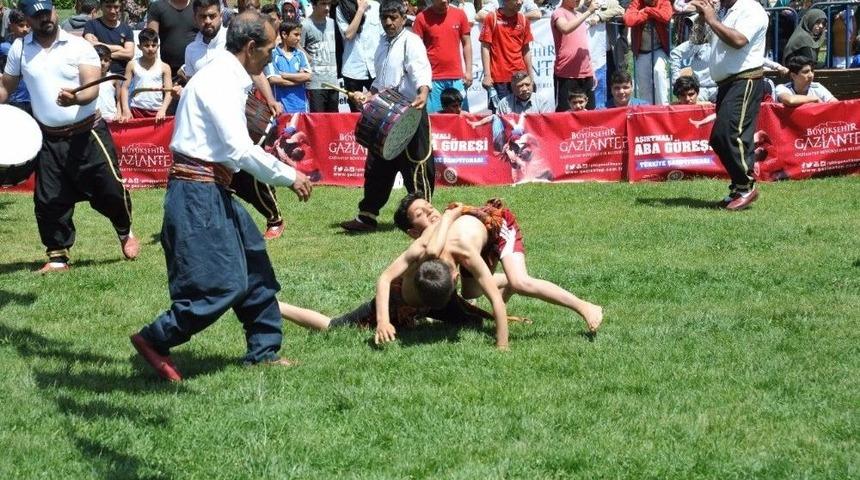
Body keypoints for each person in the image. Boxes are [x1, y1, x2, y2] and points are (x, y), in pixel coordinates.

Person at [129, 11, 314, 382]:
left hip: (213, 186)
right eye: (269, 50)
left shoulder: (227, 76)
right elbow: (238, 150)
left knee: (255, 266)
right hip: (196, 191)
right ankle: (156, 337)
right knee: (222, 284)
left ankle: (263, 351)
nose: (271, 58)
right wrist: (289, 176)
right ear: (250, 47)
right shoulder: (219, 81)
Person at [1, 0, 139, 273]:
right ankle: (58, 256)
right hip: (49, 137)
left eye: (48, 12)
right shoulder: (20, 48)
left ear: (54, 11)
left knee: (111, 189)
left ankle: (124, 230)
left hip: (88, 133)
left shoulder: (79, 47)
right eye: (37, 15)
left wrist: (75, 98)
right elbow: (6, 86)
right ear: (27, 18)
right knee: (49, 198)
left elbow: (91, 89)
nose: (45, 19)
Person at [395, 193, 604, 345]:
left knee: (520, 282)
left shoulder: (455, 247)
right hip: (477, 240)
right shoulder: (431, 242)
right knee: (470, 292)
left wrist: (502, 346)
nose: (431, 212)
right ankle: (507, 283)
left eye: (430, 207)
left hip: (498, 225)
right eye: (421, 214)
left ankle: (585, 306)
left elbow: (495, 299)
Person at [181, 0, 288, 241]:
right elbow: (191, 79)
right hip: (209, 122)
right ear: (195, 18)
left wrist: (270, 99)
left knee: (249, 169)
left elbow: (256, 70)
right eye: (202, 17)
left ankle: (274, 218)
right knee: (226, 176)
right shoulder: (191, 49)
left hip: (239, 111)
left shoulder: (233, 39)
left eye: (212, 15)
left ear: (221, 14)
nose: (208, 21)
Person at [340, 0, 433, 233]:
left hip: (411, 112)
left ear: (403, 17)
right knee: (376, 166)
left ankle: (426, 218)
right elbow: (380, 82)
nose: (389, 22)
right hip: (386, 114)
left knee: (416, 166)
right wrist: (367, 95)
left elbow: (420, 69)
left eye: (393, 17)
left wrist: (423, 93)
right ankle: (367, 217)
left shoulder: (412, 41)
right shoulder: (382, 43)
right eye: (385, 18)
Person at [689, 0, 767, 211]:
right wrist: (702, 17)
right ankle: (739, 187)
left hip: (745, 79)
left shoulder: (751, 8)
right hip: (726, 83)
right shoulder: (723, 11)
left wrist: (712, 19)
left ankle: (746, 187)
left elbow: (739, 40)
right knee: (718, 138)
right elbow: (696, 40)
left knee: (728, 134)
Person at [412, 0, 473, 113]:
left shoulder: (460, 14)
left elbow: (467, 44)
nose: (445, 1)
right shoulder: (421, 18)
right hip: (432, 79)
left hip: (457, 79)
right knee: (435, 119)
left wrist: (469, 71)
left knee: (460, 118)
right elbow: (415, 50)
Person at [479, 0, 534, 108]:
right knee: (500, 115)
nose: (520, 2)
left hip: (520, 78)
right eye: (516, 0)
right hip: (499, 79)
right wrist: (487, 75)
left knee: (523, 114)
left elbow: (526, 49)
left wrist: (531, 76)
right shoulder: (492, 17)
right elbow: (485, 47)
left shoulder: (523, 19)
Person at [336, 0, 383, 112]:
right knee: (356, 111)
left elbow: (383, 35)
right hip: (353, 70)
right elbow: (348, 35)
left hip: (375, 68)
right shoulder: (341, 8)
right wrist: (360, 10)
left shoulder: (376, 6)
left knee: (379, 109)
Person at [623, 0, 672, 105]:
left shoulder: (663, 1)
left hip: (659, 48)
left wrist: (647, 10)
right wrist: (649, 14)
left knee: (659, 71)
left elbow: (666, 16)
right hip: (642, 51)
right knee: (643, 85)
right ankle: (648, 109)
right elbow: (629, 20)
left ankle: (662, 107)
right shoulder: (636, 2)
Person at [551, 0, 597, 111]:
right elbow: (565, 28)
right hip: (566, 74)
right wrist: (588, 12)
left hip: (586, 73)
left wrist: (591, 71)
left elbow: (584, 45)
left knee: (590, 113)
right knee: (565, 114)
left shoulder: (579, 15)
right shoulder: (559, 12)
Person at [119, 28, 173, 121]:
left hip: (157, 112)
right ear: (139, 47)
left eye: (153, 45)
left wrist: (163, 110)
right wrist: (125, 109)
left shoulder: (165, 67)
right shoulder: (132, 64)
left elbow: (169, 91)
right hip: (136, 109)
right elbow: (124, 88)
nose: (150, 49)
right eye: (146, 45)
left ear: (158, 46)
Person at [301, 0, 339, 112]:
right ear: (313, 5)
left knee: (333, 119)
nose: (327, 7)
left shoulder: (332, 23)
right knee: (317, 119)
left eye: (329, 4)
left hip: (333, 82)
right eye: (323, 4)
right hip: (315, 84)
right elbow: (298, 47)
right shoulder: (305, 25)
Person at [266, 19, 311, 113]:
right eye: (296, 34)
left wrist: (284, 75)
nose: (299, 38)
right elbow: (273, 79)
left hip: (302, 108)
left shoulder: (300, 55)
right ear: (284, 35)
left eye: (300, 35)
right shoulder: (272, 54)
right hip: (281, 109)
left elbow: (308, 76)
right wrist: (299, 79)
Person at [147, 0, 198, 80]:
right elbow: (150, 40)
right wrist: (156, 70)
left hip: (195, 69)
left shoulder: (198, 5)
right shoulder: (157, 7)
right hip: (168, 71)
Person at [669, 17, 717, 102]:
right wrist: (676, 80)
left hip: (720, 87)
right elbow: (675, 53)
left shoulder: (724, 42)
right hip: (700, 89)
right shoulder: (697, 43)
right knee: (689, 103)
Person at [83, 0, 135, 75]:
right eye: (108, 6)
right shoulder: (91, 25)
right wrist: (119, 48)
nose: (112, 11)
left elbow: (129, 54)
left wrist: (103, 53)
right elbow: (90, 45)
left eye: (116, 7)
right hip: (97, 74)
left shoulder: (126, 29)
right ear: (101, 7)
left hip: (121, 75)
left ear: (120, 7)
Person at [0, 9, 30, 114]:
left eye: (28, 25)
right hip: (15, 100)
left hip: (34, 98)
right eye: (21, 25)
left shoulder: (34, 46)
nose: (25, 29)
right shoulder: (4, 47)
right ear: (11, 26)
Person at [94, 44, 120, 121]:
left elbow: (119, 100)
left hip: (111, 117)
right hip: (95, 119)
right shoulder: (87, 79)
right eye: (99, 59)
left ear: (110, 62)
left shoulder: (114, 78)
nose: (102, 63)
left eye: (106, 60)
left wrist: (119, 113)